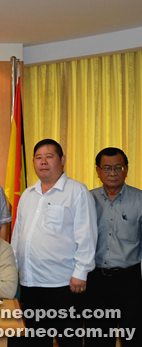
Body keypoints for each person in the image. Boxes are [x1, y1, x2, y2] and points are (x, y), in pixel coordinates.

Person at [11, 139, 97, 347]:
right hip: (30, 283)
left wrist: (81, 272)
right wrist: (13, 267)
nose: (43, 162)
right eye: (39, 157)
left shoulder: (77, 191)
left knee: (69, 340)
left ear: (62, 160)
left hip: (64, 285)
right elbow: (18, 235)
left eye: (49, 156)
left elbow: (87, 234)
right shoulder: (27, 195)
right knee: (36, 341)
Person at [84, 147, 141, 347]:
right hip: (96, 281)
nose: (113, 173)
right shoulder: (86, 200)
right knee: (97, 339)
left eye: (118, 167)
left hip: (131, 282)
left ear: (126, 169)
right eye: (107, 168)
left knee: (133, 339)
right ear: (97, 171)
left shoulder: (139, 200)